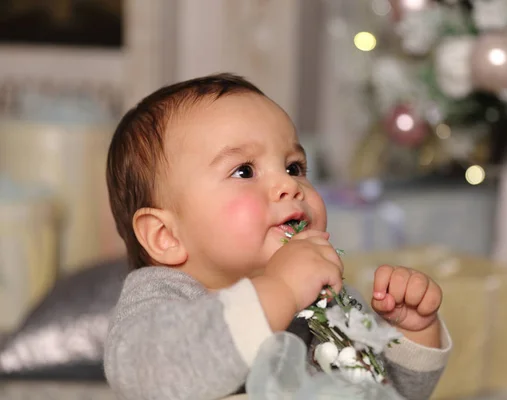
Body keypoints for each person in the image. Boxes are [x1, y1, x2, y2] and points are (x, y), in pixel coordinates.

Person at [103, 73, 452, 400]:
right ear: (165, 236)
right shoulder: (160, 297)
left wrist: (411, 334)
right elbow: (151, 374)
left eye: (294, 167)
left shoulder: (326, 297)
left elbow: (383, 391)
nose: (289, 185)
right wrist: (281, 290)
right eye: (244, 171)